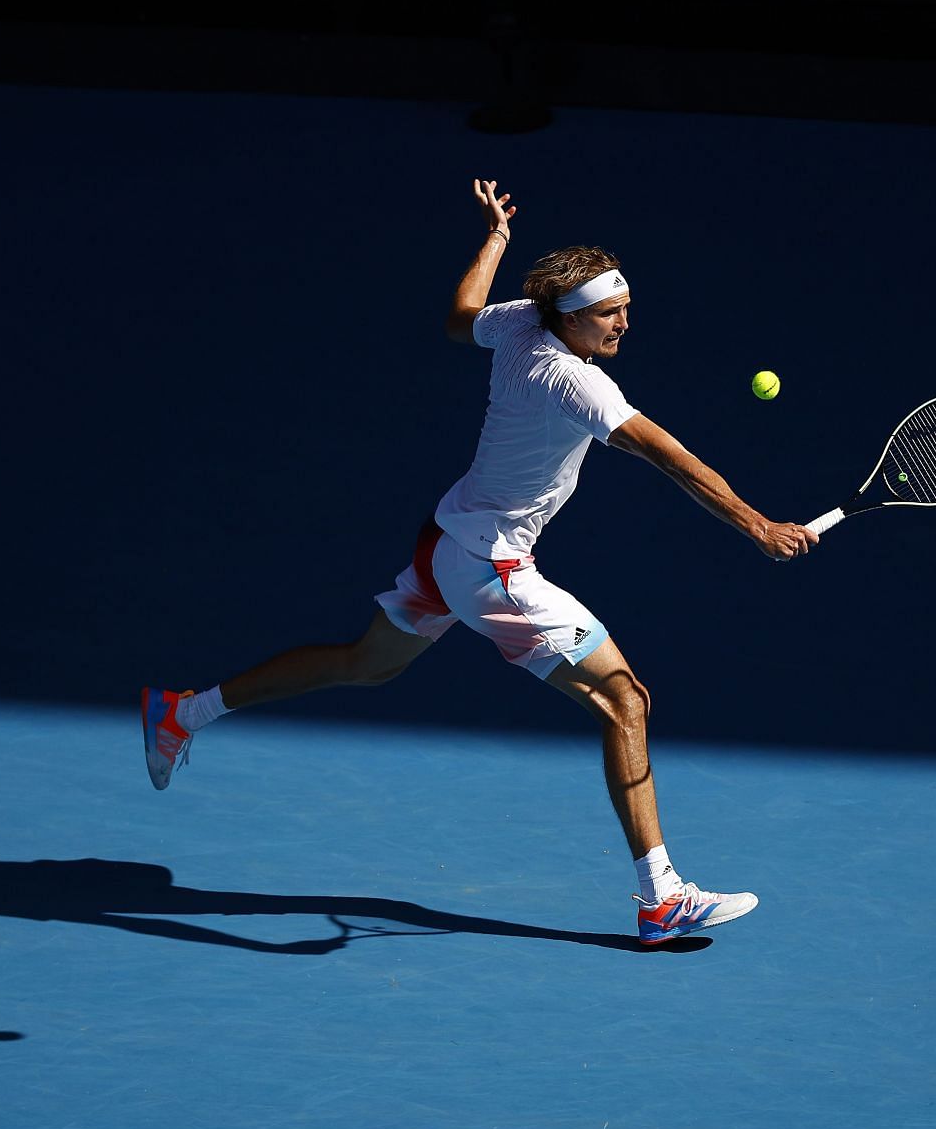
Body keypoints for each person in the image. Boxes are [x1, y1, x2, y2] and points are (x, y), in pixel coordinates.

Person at [142, 178, 817, 946]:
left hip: (448, 538)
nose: (626, 320)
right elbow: (674, 460)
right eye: (609, 311)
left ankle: (182, 712)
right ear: (569, 318)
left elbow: (461, 318)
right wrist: (759, 525)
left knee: (366, 665)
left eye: (626, 304)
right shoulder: (578, 382)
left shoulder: (521, 328)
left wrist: (495, 236)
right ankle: (661, 898)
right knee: (626, 700)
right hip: (490, 564)